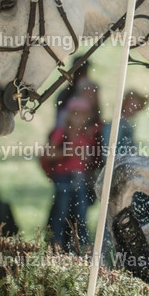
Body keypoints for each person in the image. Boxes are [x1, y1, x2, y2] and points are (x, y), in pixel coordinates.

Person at [41, 97, 98, 253]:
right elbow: (49, 154)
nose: (79, 119)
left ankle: (82, 248)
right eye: (75, 114)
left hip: (80, 177)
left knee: (81, 215)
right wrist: (70, 151)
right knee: (61, 212)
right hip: (63, 177)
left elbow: (88, 159)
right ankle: (55, 247)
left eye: (83, 115)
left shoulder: (86, 134)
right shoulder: (61, 132)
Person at [101, 90, 149, 224]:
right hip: (119, 173)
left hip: (127, 171)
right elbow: (108, 152)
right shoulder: (116, 124)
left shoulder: (127, 124)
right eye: (132, 104)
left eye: (137, 106)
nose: (134, 108)